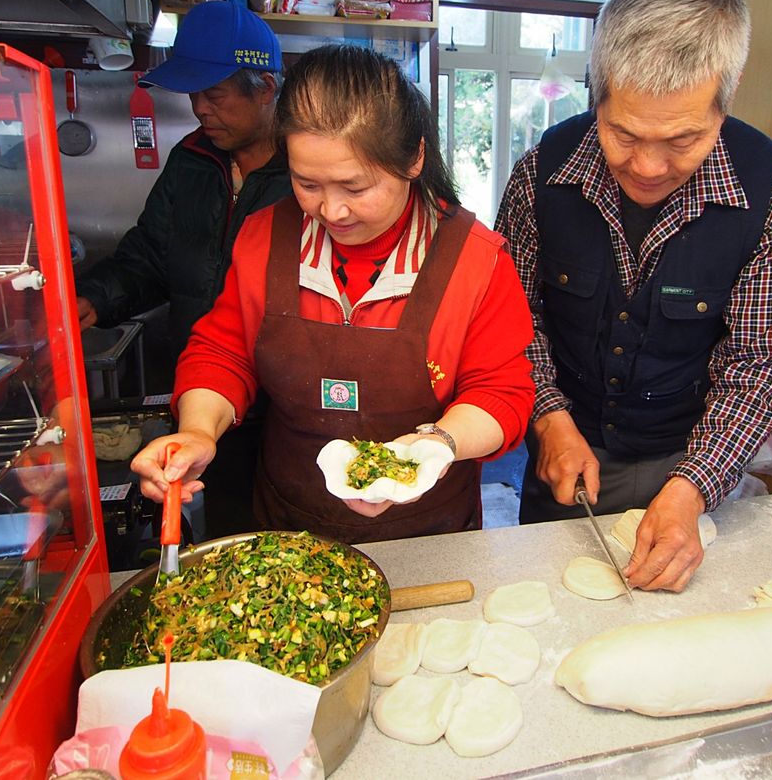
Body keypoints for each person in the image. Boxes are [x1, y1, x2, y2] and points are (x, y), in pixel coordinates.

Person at [495, 0, 772, 592]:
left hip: (696, 454)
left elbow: (767, 362)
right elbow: (513, 319)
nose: (646, 165)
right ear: (598, 85)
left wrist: (695, 485)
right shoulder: (541, 176)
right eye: (622, 133)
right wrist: (549, 416)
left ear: (729, 89)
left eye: (681, 140)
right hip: (566, 453)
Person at [130, 45, 536, 543]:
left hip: (431, 533)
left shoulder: (475, 259)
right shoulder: (264, 237)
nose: (332, 211)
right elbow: (223, 352)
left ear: (414, 158)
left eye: (355, 186)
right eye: (308, 184)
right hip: (289, 527)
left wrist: (435, 445)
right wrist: (197, 432)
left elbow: (501, 392)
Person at [76, 0, 292, 539]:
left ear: (264, 87)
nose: (200, 110)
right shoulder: (192, 160)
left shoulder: (308, 173)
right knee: (229, 535)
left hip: (287, 407)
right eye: (193, 95)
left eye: (214, 95)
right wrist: (94, 299)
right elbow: (149, 254)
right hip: (208, 394)